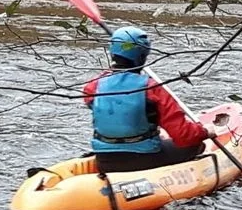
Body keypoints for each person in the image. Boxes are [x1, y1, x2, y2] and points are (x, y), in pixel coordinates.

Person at [83, 26, 216, 173]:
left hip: (105, 161)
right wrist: (204, 132)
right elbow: (184, 136)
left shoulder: (93, 87)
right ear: (143, 55)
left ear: (112, 52)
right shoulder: (152, 89)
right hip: (146, 160)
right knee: (196, 145)